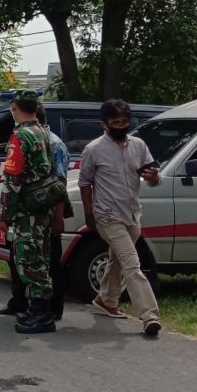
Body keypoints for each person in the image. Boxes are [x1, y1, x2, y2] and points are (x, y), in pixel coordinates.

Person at [79, 99, 162, 336]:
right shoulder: (93, 149)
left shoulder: (138, 145)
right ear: (103, 124)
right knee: (132, 263)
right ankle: (149, 316)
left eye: (125, 122)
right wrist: (89, 212)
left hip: (133, 214)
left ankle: (106, 300)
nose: (121, 126)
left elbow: (152, 177)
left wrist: (154, 177)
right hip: (107, 215)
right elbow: (85, 182)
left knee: (118, 260)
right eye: (115, 122)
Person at [0, 103, 68, 320]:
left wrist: (58, 217)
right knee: (28, 259)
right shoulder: (41, 137)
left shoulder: (42, 141)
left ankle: (47, 311)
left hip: (38, 211)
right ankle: (27, 305)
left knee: (39, 261)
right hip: (35, 210)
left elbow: (58, 183)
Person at [0, 90, 56, 334]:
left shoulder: (20, 136)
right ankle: (36, 309)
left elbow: (13, 180)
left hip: (26, 210)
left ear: (14, 107)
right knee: (40, 256)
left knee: (29, 260)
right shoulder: (44, 132)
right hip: (43, 206)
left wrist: (5, 214)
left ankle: (42, 314)